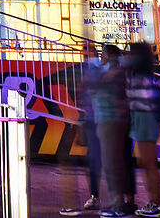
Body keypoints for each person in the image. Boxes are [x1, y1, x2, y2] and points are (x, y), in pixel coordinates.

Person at [66, 44, 130, 217]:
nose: (101, 58)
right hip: (102, 121)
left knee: (112, 163)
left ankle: (118, 203)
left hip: (110, 122)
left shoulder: (115, 75)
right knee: (103, 162)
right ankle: (110, 200)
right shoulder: (107, 74)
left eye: (104, 54)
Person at [125, 41, 160, 218]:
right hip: (143, 120)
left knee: (149, 164)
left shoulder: (141, 78)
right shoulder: (142, 76)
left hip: (145, 120)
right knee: (146, 163)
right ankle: (154, 203)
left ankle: (157, 204)